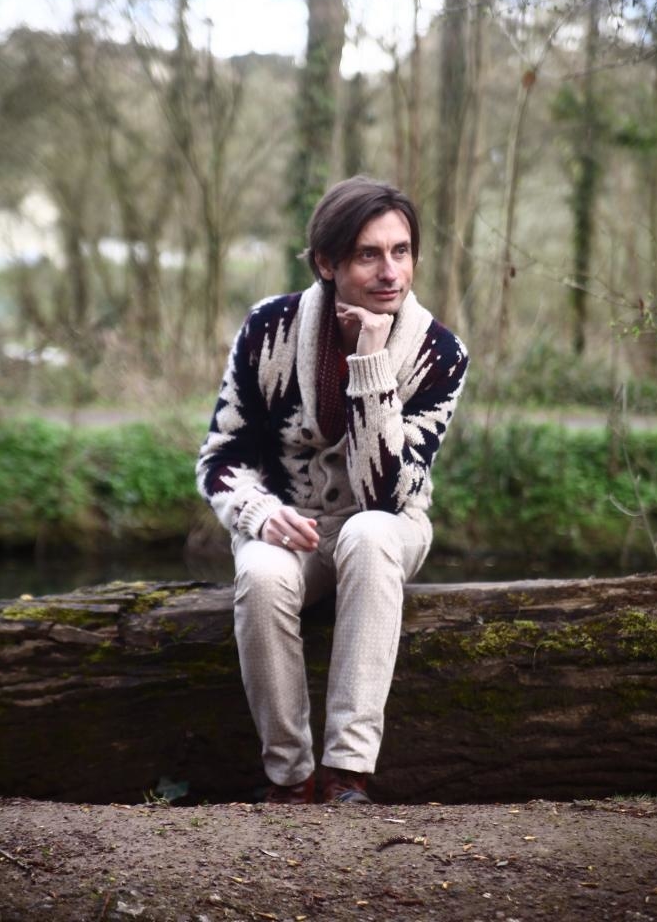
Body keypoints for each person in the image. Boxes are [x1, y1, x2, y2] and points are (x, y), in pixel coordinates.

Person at [196, 176, 468, 805]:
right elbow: (222, 456)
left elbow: (384, 494)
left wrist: (370, 361)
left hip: (390, 526)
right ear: (326, 262)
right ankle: (290, 777)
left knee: (368, 535)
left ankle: (348, 773)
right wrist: (259, 512)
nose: (390, 272)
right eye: (369, 254)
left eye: (401, 251)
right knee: (261, 573)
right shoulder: (269, 327)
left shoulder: (440, 353)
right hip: (292, 525)